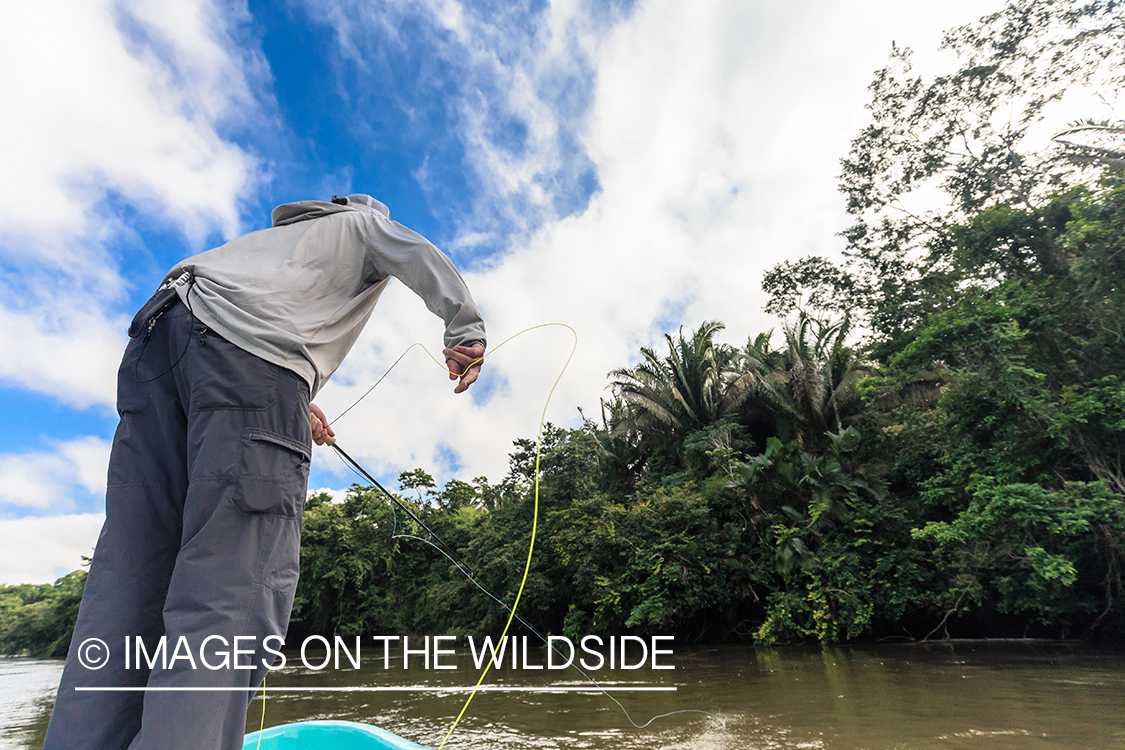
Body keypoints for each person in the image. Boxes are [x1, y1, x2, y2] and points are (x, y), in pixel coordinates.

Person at [43, 194, 486, 750]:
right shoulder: (364, 224)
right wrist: (465, 328)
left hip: (154, 346)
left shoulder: (274, 242)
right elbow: (417, 253)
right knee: (228, 598)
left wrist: (295, 403)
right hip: (246, 364)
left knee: (129, 580)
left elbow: (216, 344)